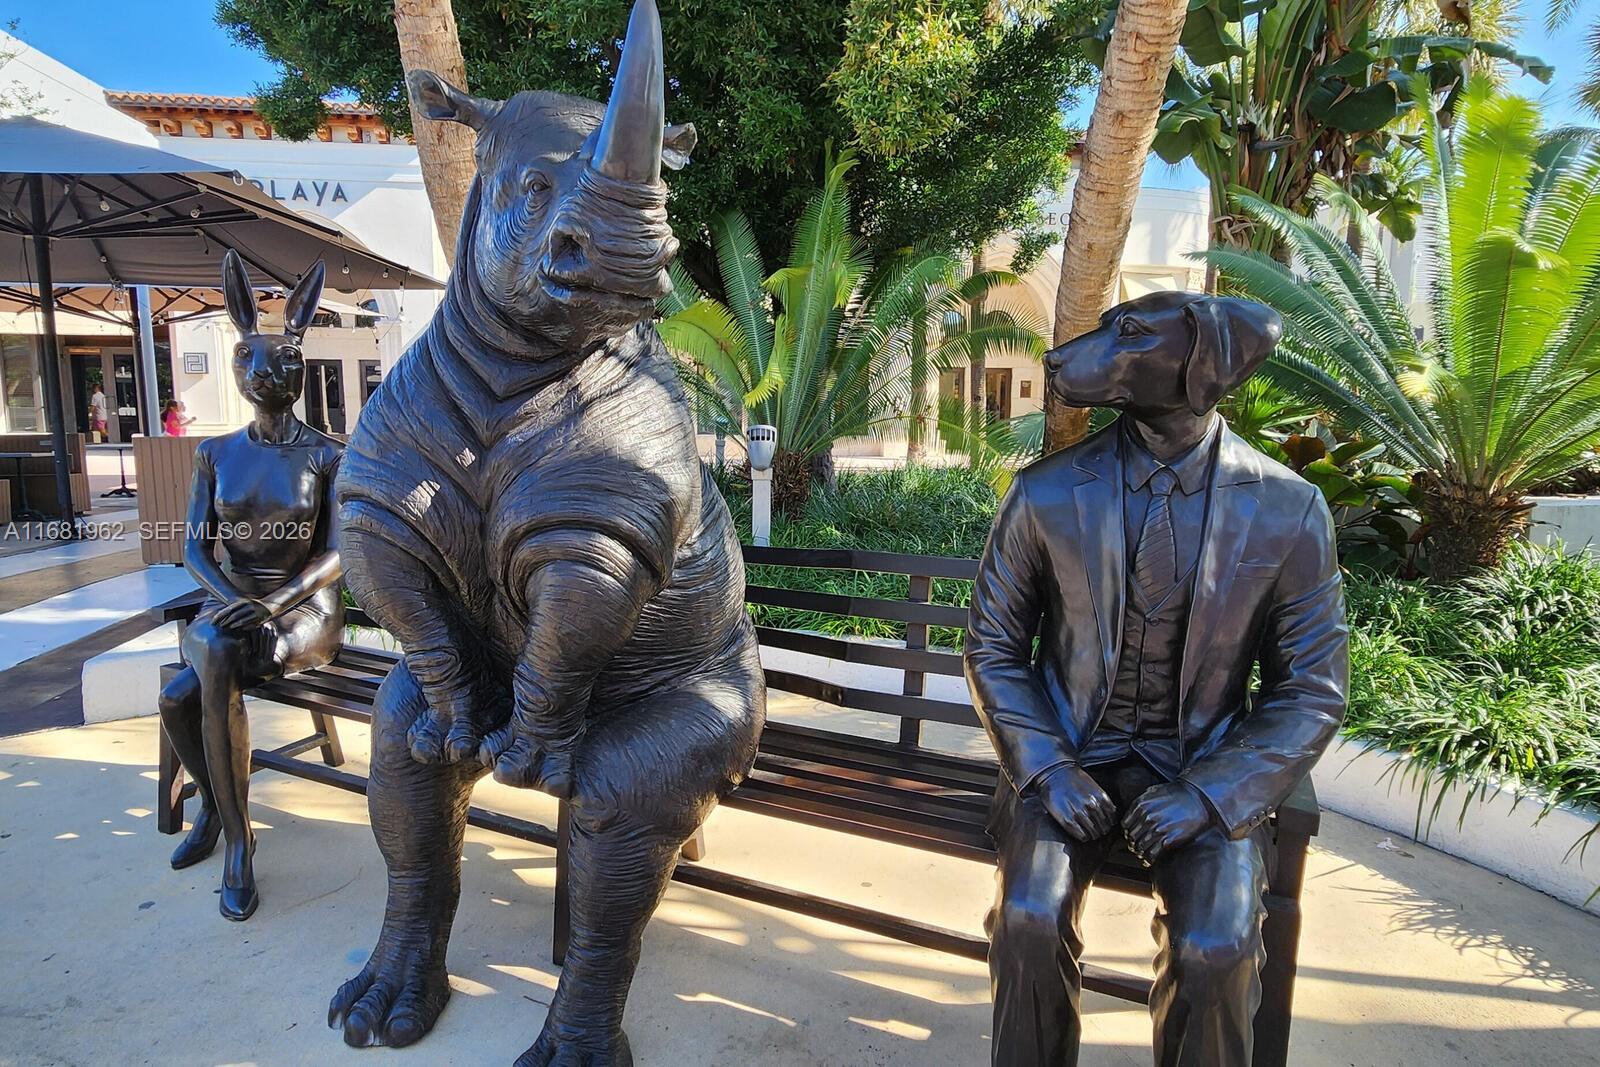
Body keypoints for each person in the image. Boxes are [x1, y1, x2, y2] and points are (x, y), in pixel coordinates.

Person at [965, 291, 1348, 1067]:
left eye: (1130, 336)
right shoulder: (1044, 493)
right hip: (1066, 760)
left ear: (1201, 365)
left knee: (1215, 945)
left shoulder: (1290, 510)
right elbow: (992, 645)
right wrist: (1047, 768)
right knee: (1029, 918)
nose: (1085, 350)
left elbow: (1310, 688)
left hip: (1202, 769)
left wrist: (1210, 794)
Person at [156, 252, 343, 921]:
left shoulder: (326, 454)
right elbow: (191, 547)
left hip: (303, 609)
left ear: (300, 366)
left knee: (206, 664)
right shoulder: (215, 453)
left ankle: (236, 842)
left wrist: (272, 603)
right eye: (252, 360)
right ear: (239, 371)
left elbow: (337, 554)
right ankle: (220, 812)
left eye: (285, 359)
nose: (268, 371)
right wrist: (231, 598)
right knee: (179, 693)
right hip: (234, 603)